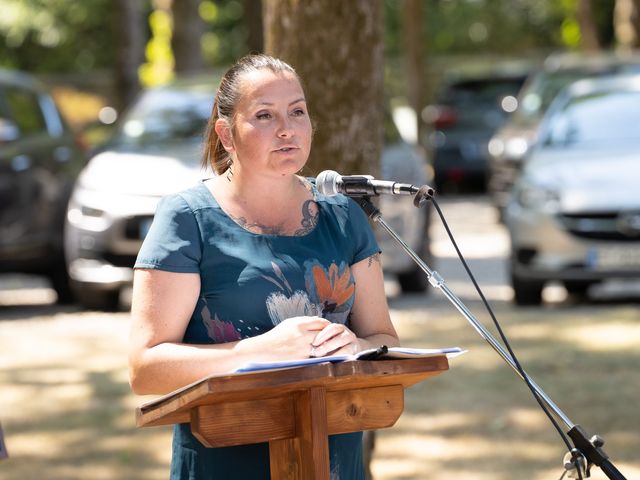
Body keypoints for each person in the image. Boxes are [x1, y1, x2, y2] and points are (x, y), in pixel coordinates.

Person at [128, 53, 399, 480]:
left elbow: (383, 339)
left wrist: (353, 346)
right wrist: (261, 351)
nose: (287, 129)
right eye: (264, 115)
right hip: (226, 462)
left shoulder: (344, 214)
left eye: (297, 111)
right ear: (227, 134)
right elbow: (147, 368)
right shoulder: (186, 218)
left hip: (336, 461)